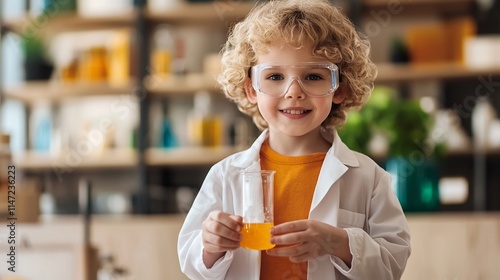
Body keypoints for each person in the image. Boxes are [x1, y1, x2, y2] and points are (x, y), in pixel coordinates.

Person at [177, 0, 411, 279]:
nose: (294, 92)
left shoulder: (369, 178)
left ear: (340, 88)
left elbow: (392, 264)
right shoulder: (226, 176)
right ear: (251, 88)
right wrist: (210, 245)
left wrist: (339, 243)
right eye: (275, 76)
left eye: (313, 76)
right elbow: (191, 262)